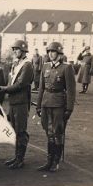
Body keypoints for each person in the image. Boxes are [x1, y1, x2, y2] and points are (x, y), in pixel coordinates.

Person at [36, 42, 76, 172]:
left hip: (59, 104)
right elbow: (41, 87)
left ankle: (56, 162)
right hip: (46, 103)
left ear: (59, 54)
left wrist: (69, 108)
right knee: (49, 133)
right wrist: (38, 105)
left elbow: (71, 90)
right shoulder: (45, 66)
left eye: (53, 52)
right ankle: (49, 161)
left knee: (57, 132)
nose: (51, 54)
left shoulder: (66, 68)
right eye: (49, 52)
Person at [0, 40, 34, 169]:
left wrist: (5, 89)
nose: (14, 51)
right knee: (15, 130)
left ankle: (20, 159)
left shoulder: (27, 65)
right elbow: (11, 81)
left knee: (21, 131)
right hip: (14, 102)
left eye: (17, 49)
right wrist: (6, 88)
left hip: (21, 102)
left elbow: (21, 84)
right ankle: (17, 157)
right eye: (14, 49)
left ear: (23, 51)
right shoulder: (16, 64)